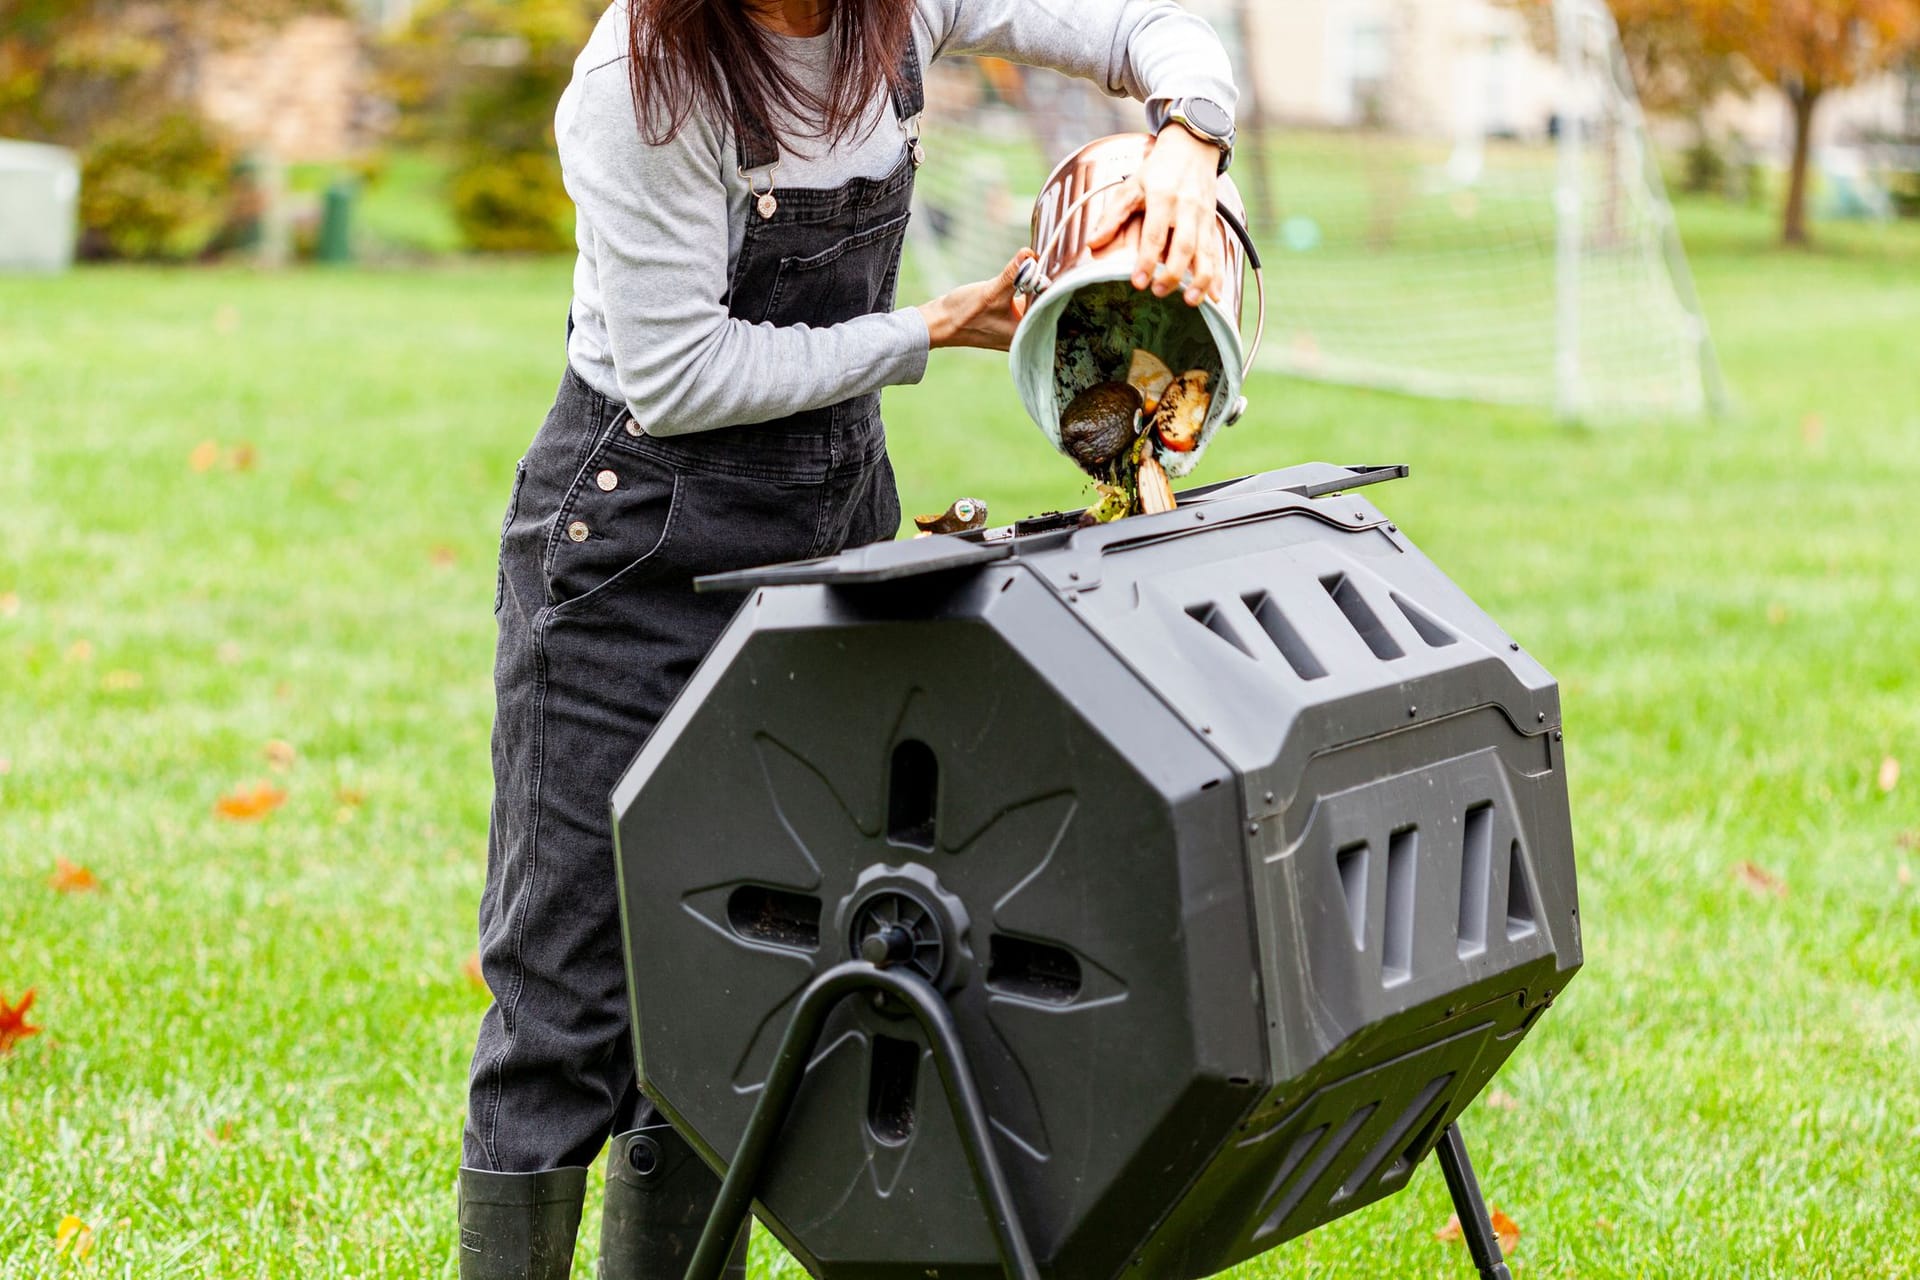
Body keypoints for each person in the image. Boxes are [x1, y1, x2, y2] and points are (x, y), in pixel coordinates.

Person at [458, 0, 1240, 1275]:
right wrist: (925, 328)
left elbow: (1153, 23)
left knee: (739, 978)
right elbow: (678, 374)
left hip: (829, 535)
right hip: (634, 553)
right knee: (570, 997)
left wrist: (1187, 143)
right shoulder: (634, 82)